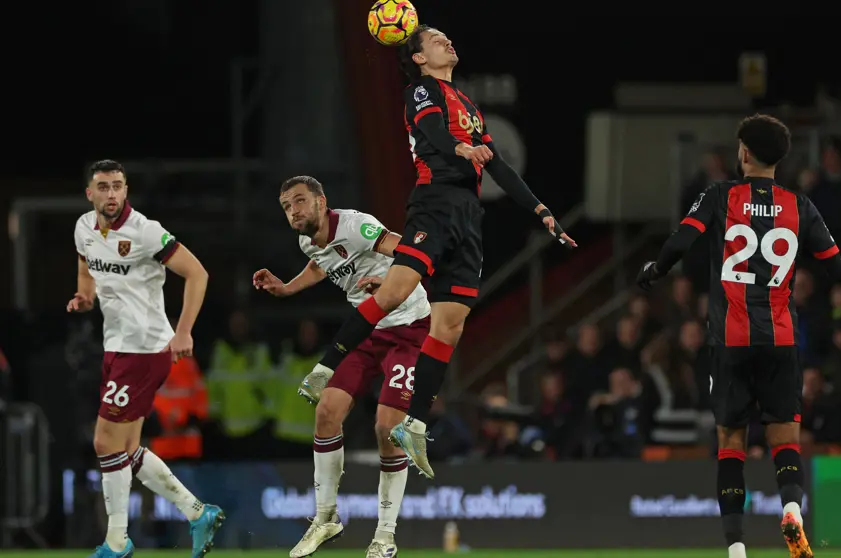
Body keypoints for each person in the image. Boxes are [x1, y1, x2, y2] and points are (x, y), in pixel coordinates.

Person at [302, 25, 575, 480]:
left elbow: (499, 165)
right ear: (419, 58)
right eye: (436, 40)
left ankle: (415, 424)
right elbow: (431, 133)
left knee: (450, 325)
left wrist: (540, 209)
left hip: (468, 215)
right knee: (394, 292)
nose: (448, 42)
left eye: (447, 38)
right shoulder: (421, 91)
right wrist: (461, 147)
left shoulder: (467, 104)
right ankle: (324, 369)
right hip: (435, 203)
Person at [636, 115, 841, 558]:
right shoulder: (800, 205)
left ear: (745, 152)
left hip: (731, 340)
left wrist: (655, 270)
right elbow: (838, 267)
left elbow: (681, 241)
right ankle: (791, 509)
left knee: (731, 444)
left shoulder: (720, 195)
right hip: (781, 339)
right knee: (785, 440)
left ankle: (736, 550)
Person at [253, 176, 431, 558]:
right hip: (366, 330)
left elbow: (408, 251)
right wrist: (287, 288)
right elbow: (321, 265)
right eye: (286, 206)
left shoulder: (355, 225)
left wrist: (387, 281)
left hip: (408, 329)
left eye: (300, 201)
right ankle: (326, 518)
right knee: (326, 412)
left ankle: (384, 536)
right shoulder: (307, 240)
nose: (293, 211)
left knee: (387, 428)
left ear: (322, 201)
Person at [68, 159, 222, 558]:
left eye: (118, 186)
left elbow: (198, 274)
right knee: (127, 448)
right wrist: (85, 296)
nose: (112, 194)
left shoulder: (145, 231)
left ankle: (116, 542)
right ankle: (198, 512)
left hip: (145, 348)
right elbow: (85, 266)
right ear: (90, 193)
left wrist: (184, 330)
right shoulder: (84, 228)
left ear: (126, 190)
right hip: (116, 346)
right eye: (104, 186)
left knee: (104, 441)